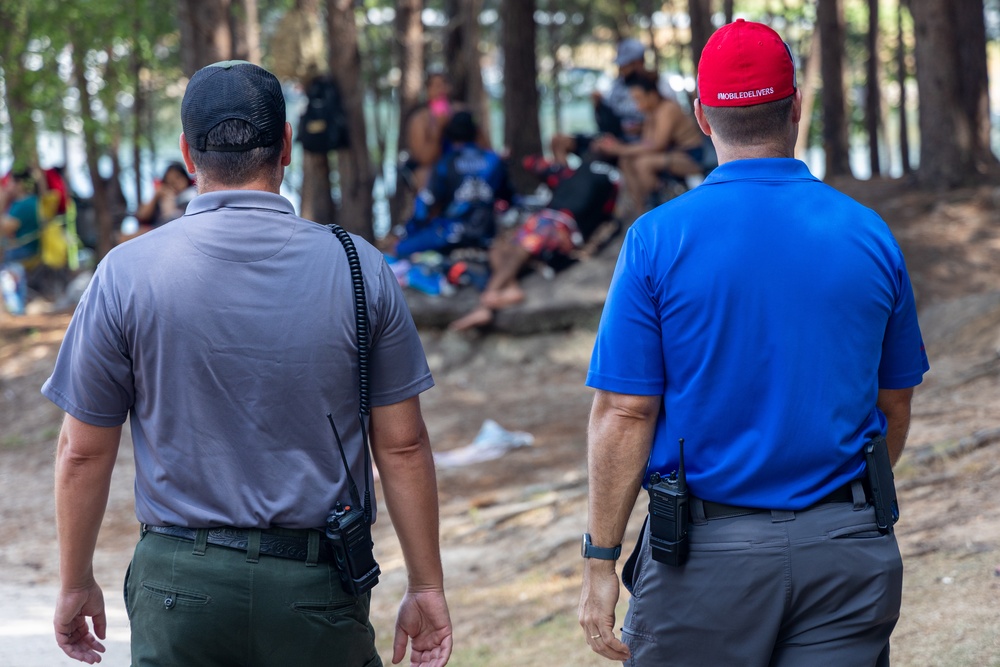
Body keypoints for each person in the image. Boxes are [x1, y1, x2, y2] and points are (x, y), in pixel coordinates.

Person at [43, 60, 452, 667]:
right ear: (286, 146)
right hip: (316, 589)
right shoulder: (359, 268)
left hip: (179, 587)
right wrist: (425, 586)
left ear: (187, 151)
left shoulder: (126, 273)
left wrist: (75, 581)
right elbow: (403, 446)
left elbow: (82, 450)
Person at [579, 20, 928, 667]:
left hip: (703, 561)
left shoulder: (658, 239)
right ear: (796, 107)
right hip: (847, 550)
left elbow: (625, 411)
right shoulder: (868, 234)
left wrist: (601, 560)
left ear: (701, 118)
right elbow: (895, 403)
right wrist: (833, 505)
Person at [448, 157, 619, 331]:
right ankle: (512, 288)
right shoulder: (568, 173)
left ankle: (484, 306)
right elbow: (530, 163)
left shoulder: (608, 181)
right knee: (498, 249)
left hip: (565, 224)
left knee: (523, 248)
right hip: (543, 217)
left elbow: (605, 216)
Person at [393, 111, 512, 259]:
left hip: (451, 233)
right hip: (486, 232)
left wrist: (409, 230)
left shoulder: (446, 163)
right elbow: (509, 198)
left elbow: (424, 206)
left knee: (398, 250)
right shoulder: (494, 160)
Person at [593, 71, 705, 212]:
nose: (637, 105)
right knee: (625, 161)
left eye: (639, 99)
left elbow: (657, 145)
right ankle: (640, 210)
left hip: (690, 157)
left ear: (652, 95)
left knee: (643, 164)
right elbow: (647, 143)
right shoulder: (652, 112)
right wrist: (621, 149)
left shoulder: (667, 109)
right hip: (671, 154)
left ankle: (658, 206)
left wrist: (619, 148)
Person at [550, 38, 647, 166]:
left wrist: (640, 128)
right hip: (612, 137)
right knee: (559, 141)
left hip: (634, 144)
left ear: (638, 62)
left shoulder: (656, 86)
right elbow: (605, 124)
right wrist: (598, 106)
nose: (621, 68)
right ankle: (564, 179)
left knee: (597, 153)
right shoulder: (615, 85)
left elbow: (661, 127)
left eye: (625, 64)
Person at [133, 161, 196, 228]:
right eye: (170, 181)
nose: (175, 184)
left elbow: (173, 221)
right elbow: (142, 216)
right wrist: (156, 196)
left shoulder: (191, 195)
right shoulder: (164, 197)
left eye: (178, 178)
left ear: (185, 178)